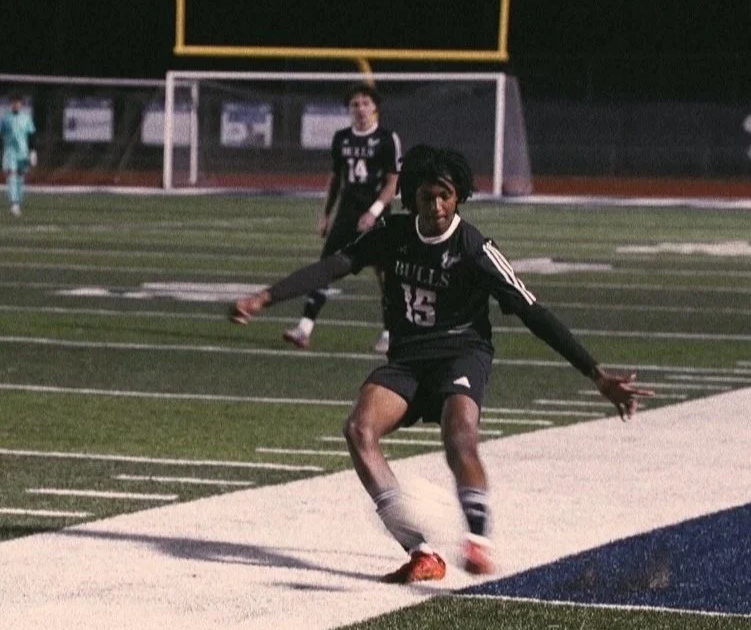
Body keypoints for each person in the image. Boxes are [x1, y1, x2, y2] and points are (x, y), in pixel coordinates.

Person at [230, 145, 653, 583]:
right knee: (359, 429)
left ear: (459, 196)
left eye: (445, 196)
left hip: (460, 354)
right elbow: (332, 267)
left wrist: (597, 374)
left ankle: (478, 541)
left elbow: (533, 312)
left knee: (460, 436)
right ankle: (421, 552)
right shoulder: (392, 233)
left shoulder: (475, 248)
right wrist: (265, 297)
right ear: (411, 196)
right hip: (407, 361)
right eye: (427, 196)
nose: (435, 206)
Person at [283, 84, 402, 354]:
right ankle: (304, 328)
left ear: (375, 107)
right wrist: (325, 214)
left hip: (377, 215)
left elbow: (393, 181)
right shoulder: (342, 138)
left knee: (386, 276)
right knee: (324, 268)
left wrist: (373, 212)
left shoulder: (386, 138)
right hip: (347, 214)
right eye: (355, 105)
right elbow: (335, 179)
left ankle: (389, 333)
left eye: (365, 103)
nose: (360, 109)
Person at [1, 95, 37, 217]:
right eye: (14, 102)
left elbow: (31, 134)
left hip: (23, 152)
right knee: (12, 175)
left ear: (21, 104)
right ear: (11, 104)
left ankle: (18, 203)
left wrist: (32, 152)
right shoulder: (5, 118)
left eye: (18, 102)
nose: (16, 104)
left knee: (21, 178)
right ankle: (14, 204)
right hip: (10, 151)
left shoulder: (26, 118)